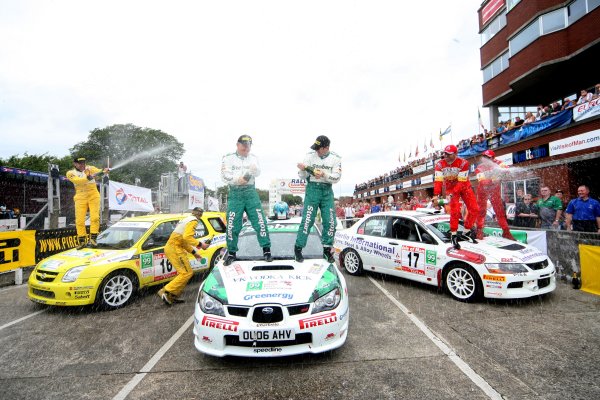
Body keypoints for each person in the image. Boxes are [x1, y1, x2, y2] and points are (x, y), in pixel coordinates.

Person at [221, 135, 272, 265]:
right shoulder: (228, 158)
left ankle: (266, 251)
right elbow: (225, 176)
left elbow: (257, 172)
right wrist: (237, 179)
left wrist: (250, 173)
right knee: (232, 224)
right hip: (235, 193)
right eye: (243, 145)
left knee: (260, 221)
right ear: (237, 145)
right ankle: (232, 253)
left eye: (248, 145)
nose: (246, 147)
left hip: (250, 193)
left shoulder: (254, 158)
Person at [294, 135, 342, 263]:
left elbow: (336, 178)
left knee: (331, 222)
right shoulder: (310, 155)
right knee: (308, 220)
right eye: (315, 147)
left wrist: (324, 174)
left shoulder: (336, 158)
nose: (316, 150)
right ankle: (298, 248)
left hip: (327, 191)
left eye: (319, 148)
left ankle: (327, 250)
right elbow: (302, 175)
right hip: (312, 189)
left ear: (326, 148)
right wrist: (304, 170)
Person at [158, 207, 210, 305]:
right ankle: (166, 291)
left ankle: (172, 295)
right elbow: (187, 237)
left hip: (173, 247)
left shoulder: (186, 219)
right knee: (186, 273)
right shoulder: (194, 221)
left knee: (187, 273)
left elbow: (183, 240)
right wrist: (201, 245)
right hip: (175, 249)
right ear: (200, 215)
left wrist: (194, 253)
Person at [432, 144, 479, 249]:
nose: (446, 156)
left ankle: (466, 232)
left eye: (449, 154)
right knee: (455, 211)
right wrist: (436, 195)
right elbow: (438, 180)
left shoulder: (464, 163)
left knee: (475, 209)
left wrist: (454, 192)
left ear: (456, 154)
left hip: (465, 187)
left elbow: (462, 182)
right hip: (451, 189)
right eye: (444, 154)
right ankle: (453, 235)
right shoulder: (439, 164)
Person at [66, 156, 109, 249]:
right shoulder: (70, 173)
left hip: (93, 195)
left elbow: (99, 171)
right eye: (80, 163)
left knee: (94, 217)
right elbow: (78, 181)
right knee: (79, 220)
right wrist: (89, 177)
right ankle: (82, 241)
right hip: (80, 196)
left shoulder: (90, 168)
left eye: (83, 163)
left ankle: (93, 239)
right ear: (75, 164)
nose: (82, 165)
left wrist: (104, 170)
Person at [474, 150, 515, 240]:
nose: (485, 159)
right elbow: (482, 181)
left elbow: (507, 171)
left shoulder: (498, 163)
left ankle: (506, 232)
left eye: (488, 157)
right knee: (481, 211)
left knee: (499, 211)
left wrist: (502, 173)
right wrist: (493, 180)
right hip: (482, 190)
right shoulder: (479, 168)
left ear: (493, 158)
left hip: (494, 190)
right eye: (484, 157)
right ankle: (479, 231)